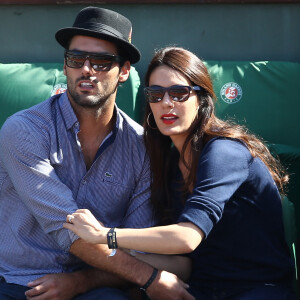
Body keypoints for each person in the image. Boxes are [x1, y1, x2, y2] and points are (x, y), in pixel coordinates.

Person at [65, 46, 298, 300]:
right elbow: (185, 264)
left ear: (201, 99)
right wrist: (120, 261)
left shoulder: (224, 152)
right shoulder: (167, 163)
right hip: (199, 290)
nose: (166, 103)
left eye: (179, 93)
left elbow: (187, 237)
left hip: (257, 290)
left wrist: (105, 236)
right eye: (156, 94)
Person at [0, 8, 193, 300]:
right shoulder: (25, 130)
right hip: (21, 282)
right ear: (65, 67)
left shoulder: (141, 146)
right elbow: (67, 229)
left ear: (124, 71)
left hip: (100, 282)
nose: (86, 70)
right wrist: (150, 279)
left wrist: (82, 282)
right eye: (76, 59)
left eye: (101, 62)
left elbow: (136, 248)